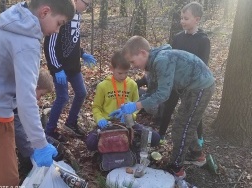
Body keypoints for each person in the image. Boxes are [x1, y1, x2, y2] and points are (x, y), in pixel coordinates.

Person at [0, 0, 75, 186]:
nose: (57, 31)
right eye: (59, 23)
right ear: (45, 12)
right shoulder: (28, 42)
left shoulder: (7, 19)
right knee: (5, 180)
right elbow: (26, 97)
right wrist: (40, 144)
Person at [115, 36, 215, 178]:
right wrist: (131, 106)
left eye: (132, 61)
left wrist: (136, 106)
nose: (132, 65)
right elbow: (151, 92)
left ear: (143, 53)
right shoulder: (151, 66)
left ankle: (177, 168)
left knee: (182, 127)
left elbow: (163, 95)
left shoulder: (162, 61)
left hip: (201, 86)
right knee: (184, 123)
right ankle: (196, 155)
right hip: (189, 88)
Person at [158, 1, 210, 146]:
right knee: (168, 107)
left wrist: (190, 81)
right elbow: (171, 58)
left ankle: (199, 139)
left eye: (186, 18)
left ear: (197, 19)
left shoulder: (203, 40)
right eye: (181, 18)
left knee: (193, 112)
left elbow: (203, 64)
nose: (182, 21)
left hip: (192, 85)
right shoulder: (178, 37)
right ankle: (161, 135)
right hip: (176, 82)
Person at [85, 51, 160, 152]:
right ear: (112, 69)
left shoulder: (132, 84)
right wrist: (100, 120)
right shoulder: (102, 86)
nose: (123, 76)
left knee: (155, 138)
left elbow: (136, 105)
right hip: (108, 123)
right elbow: (96, 107)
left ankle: (129, 143)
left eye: (126, 72)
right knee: (90, 142)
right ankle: (112, 145)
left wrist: (131, 116)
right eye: (120, 73)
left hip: (128, 122)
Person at [44, 0, 96, 142]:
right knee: (63, 98)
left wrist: (82, 53)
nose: (88, 7)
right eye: (87, 3)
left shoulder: (77, 15)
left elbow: (73, 39)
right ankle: (50, 130)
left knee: (81, 92)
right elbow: (50, 45)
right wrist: (56, 68)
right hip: (59, 67)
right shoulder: (62, 14)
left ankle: (71, 122)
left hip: (74, 67)